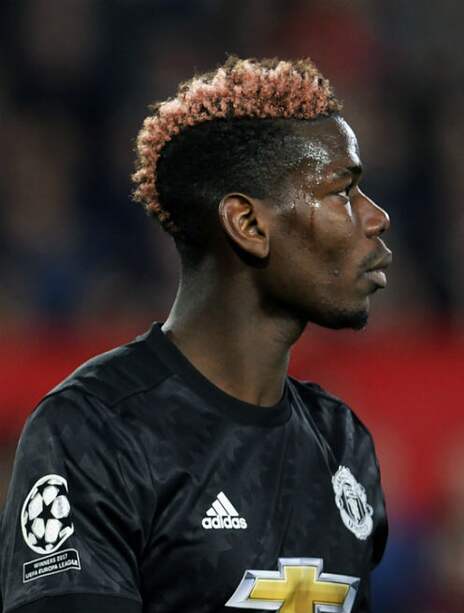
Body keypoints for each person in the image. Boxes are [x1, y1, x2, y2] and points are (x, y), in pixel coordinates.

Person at [0, 57, 391, 613]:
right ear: (248, 225)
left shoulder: (342, 442)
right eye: (342, 192)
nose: (376, 218)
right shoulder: (95, 430)